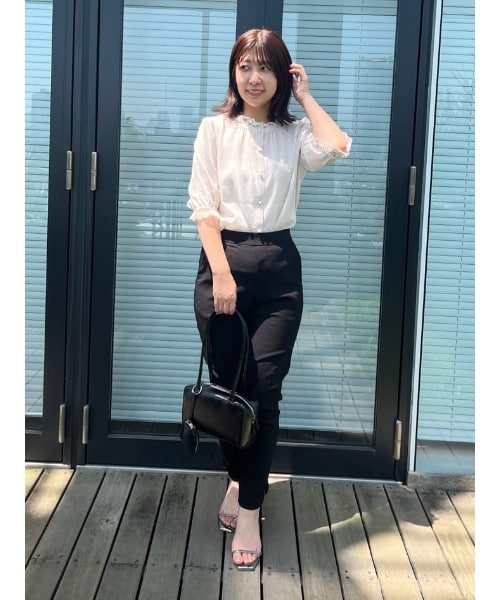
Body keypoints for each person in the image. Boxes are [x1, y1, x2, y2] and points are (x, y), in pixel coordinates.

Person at [187, 27, 351, 571]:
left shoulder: (294, 133)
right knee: (228, 390)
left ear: (281, 75)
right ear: (233, 73)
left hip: (279, 267)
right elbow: (204, 207)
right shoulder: (214, 130)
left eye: (265, 68)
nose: (253, 78)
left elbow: (337, 145)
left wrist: (305, 96)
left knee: (265, 392)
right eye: (245, 66)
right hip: (223, 262)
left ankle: (250, 509)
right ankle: (238, 480)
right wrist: (222, 274)